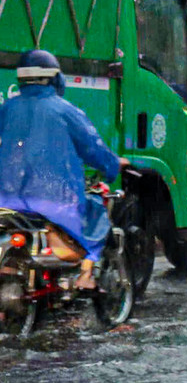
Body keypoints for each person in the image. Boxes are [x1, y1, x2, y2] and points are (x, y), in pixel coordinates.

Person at [0, 49, 126, 291]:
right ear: (54, 78)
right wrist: (113, 165)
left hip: (6, 201)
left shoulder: (6, 109)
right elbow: (93, 149)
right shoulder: (65, 111)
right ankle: (86, 275)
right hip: (55, 201)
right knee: (97, 217)